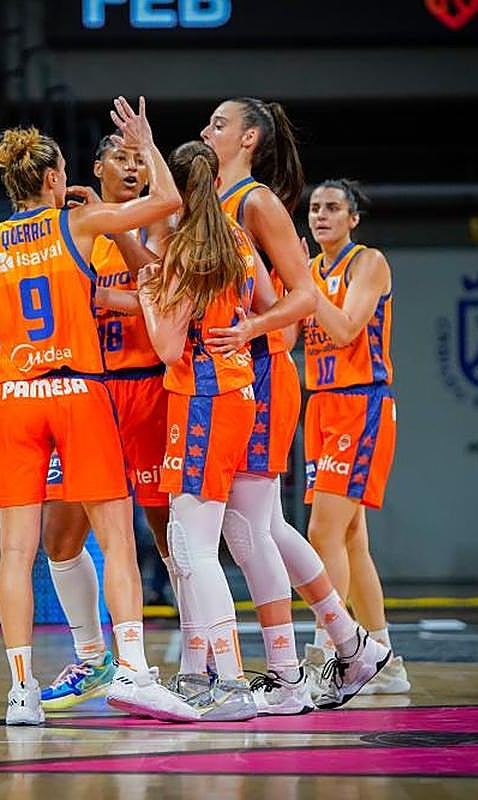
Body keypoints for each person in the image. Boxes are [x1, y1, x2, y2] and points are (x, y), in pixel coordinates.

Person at [0, 98, 197, 726]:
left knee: (15, 553)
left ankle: (21, 691)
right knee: (117, 539)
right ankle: (134, 672)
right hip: (78, 391)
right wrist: (144, 144)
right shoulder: (80, 226)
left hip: (12, 399)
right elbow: (168, 204)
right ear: (56, 177)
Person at [140, 141, 389, 719]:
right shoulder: (231, 233)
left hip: (231, 387)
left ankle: (249, 675)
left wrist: (241, 324)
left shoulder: (247, 209)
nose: (210, 127)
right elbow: (279, 297)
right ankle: (334, 651)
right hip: (247, 383)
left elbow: (293, 305)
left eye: (219, 121)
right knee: (261, 529)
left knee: (224, 538)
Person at [36, 134, 175, 712]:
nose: (134, 165)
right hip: (87, 393)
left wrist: (112, 222)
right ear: (95, 167)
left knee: (168, 535)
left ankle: (198, 656)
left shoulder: (158, 226)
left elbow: (166, 287)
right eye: (122, 157)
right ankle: (93, 658)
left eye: (142, 158)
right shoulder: (74, 230)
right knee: (60, 537)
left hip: (147, 390)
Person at [298, 179, 408, 694]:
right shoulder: (312, 270)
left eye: (332, 208)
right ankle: (386, 660)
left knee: (323, 532)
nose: (321, 215)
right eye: (315, 208)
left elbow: (344, 329)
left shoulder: (368, 262)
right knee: (350, 539)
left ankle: (332, 653)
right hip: (319, 403)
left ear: (352, 218)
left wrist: (301, 283)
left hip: (361, 401)